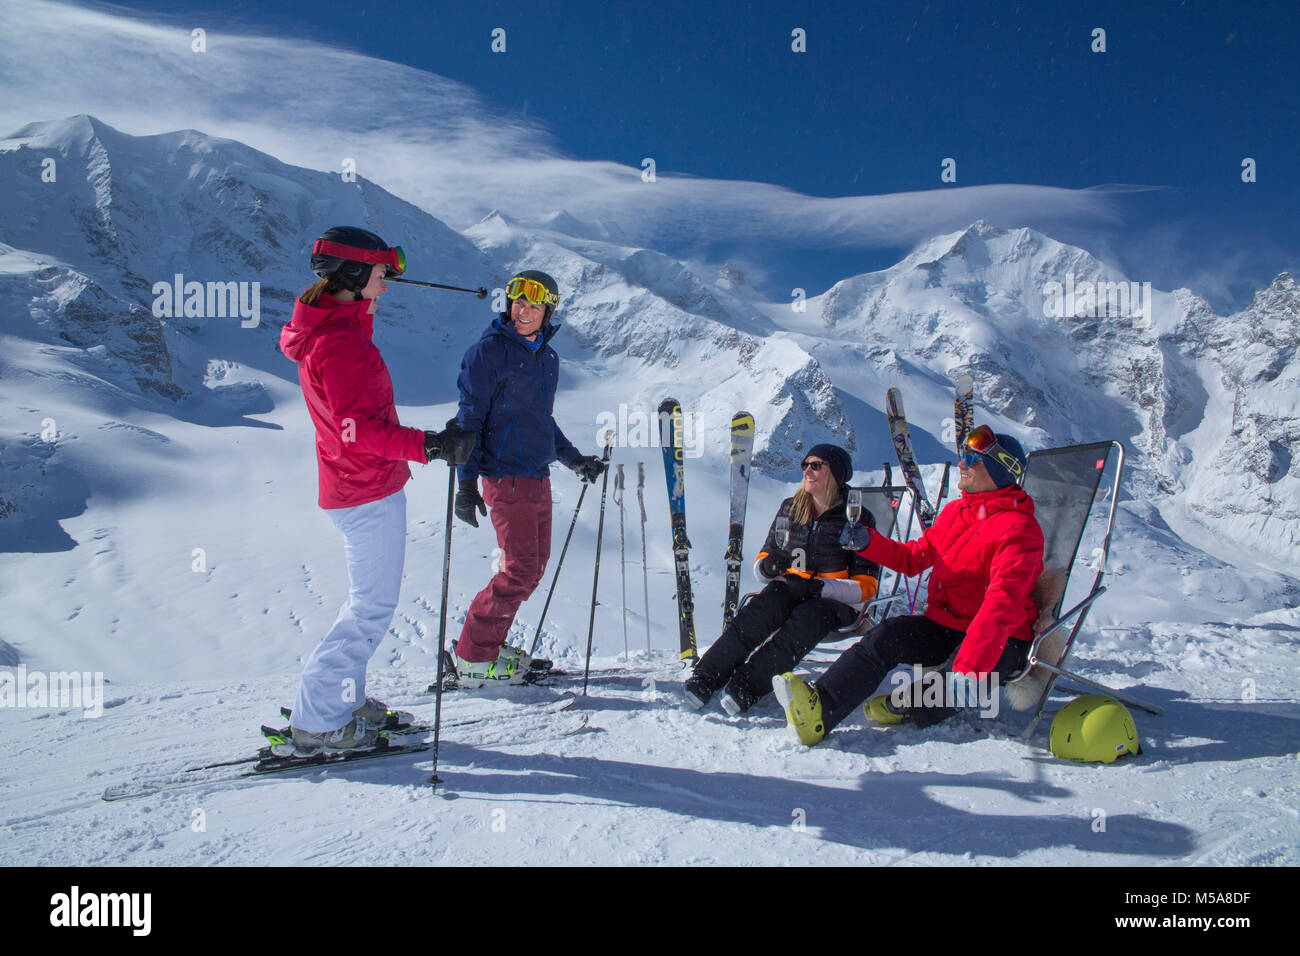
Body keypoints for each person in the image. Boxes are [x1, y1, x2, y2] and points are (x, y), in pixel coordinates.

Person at [280, 226, 475, 752]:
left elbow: (353, 404)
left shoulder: (339, 329)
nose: (387, 284)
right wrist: (430, 445)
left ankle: (342, 697)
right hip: (364, 490)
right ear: (354, 273)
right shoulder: (339, 345)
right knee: (369, 609)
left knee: (367, 603)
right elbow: (356, 429)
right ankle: (319, 720)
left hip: (358, 485)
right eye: (381, 274)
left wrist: (361, 296)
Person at [773, 426, 1045, 746]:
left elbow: (1003, 603)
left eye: (973, 459)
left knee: (947, 690)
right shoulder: (958, 512)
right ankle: (819, 709)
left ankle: (907, 706)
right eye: (963, 456)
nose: (962, 463)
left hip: (1001, 640)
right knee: (886, 635)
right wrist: (867, 542)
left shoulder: (1020, 530)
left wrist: (969, 669)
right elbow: (913, 558)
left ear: (1000, 472)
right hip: (950, 625)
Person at [451, 270, 606, 686]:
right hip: (504, 476)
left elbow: (542, 422)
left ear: (547, 312)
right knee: (519, 570)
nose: (523, 310)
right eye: (518, 302)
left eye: (534, 305)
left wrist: (575, 461)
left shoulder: (546, 359)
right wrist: (466, 483)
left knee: (533, 569)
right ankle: (473, 656)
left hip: (536, 477)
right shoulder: (487, 353)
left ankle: (488, 644)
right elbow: (469, 419)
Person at [682, 444, 880, 715]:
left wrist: (820, 587)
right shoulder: (791, 508)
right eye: (805, 465)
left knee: (806, 621)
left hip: (835, 602)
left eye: (816, 465)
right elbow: (766, 556)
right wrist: (768, 566)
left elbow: (867, 586)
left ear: (835, 473)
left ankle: (747, 686)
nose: (807, 471)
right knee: (759, 612)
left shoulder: (857, 518)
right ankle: (706, 677)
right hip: (793, 587)